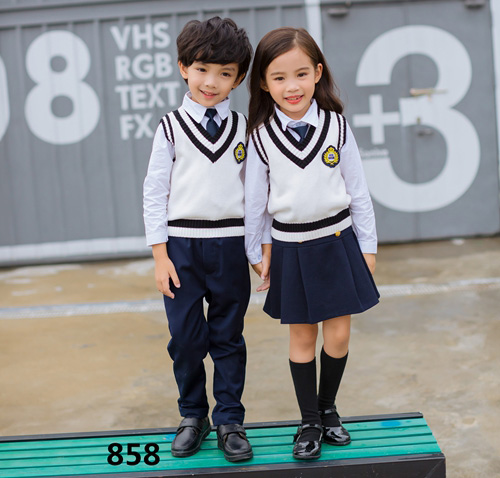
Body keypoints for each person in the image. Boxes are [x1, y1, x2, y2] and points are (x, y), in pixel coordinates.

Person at [245, 27, 380, 460]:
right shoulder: (260, 136)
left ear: (317, 73)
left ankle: (328, 409)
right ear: (264, 83)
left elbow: (358, 192)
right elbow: (255, 205)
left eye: (301, 74)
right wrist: (256, 252)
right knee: (302, 337)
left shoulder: (337, 126)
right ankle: (308, 422)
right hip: (292, 249)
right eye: (279, 77)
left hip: (339, 243)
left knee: (338, 335)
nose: (292, 86)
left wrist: (368, 247)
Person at [143, 17, 253, 463]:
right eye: (202, 69)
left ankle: (229, 419)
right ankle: (193, 414)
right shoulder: (170, 127)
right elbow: (154, 192)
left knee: (228, 336)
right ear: (184, 67)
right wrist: (160, 256)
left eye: (225, 73)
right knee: (185, 339)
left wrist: (256, 251)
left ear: (238, 79)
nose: (211, 82)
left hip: (229, 246)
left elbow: (256, 193)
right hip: (182, 250)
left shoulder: (245, 127)